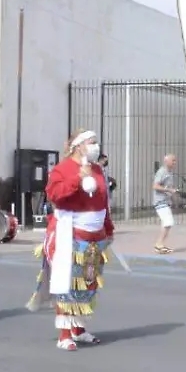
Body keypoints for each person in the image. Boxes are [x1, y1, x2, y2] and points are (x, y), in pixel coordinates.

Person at [29, 129, 112, 351]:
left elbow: (104, 201)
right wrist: (78, 178)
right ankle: (64, 334)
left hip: (95, 237)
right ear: (78, 146)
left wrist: (108, 229)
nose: (96, 146)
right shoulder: (62, 169)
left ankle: (79, 328)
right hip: (72, 234)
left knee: (88, 282)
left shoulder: (97, 169)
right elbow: (55, 195)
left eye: (96, 143)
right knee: (68, 283)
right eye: (92, 143)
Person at [151, 154, 178, 254]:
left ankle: (160, 245)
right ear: (166, 161)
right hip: (160, 201)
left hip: (166, 201)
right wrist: (168, 189)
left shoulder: (169, 172)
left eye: (175, 161)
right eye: (173, 160)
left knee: (166, 223)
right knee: (168, 222)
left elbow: (168, 187)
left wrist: (173, 195)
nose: (175, 162)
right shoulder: (162, 172)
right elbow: (155, 186)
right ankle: (158, 244)